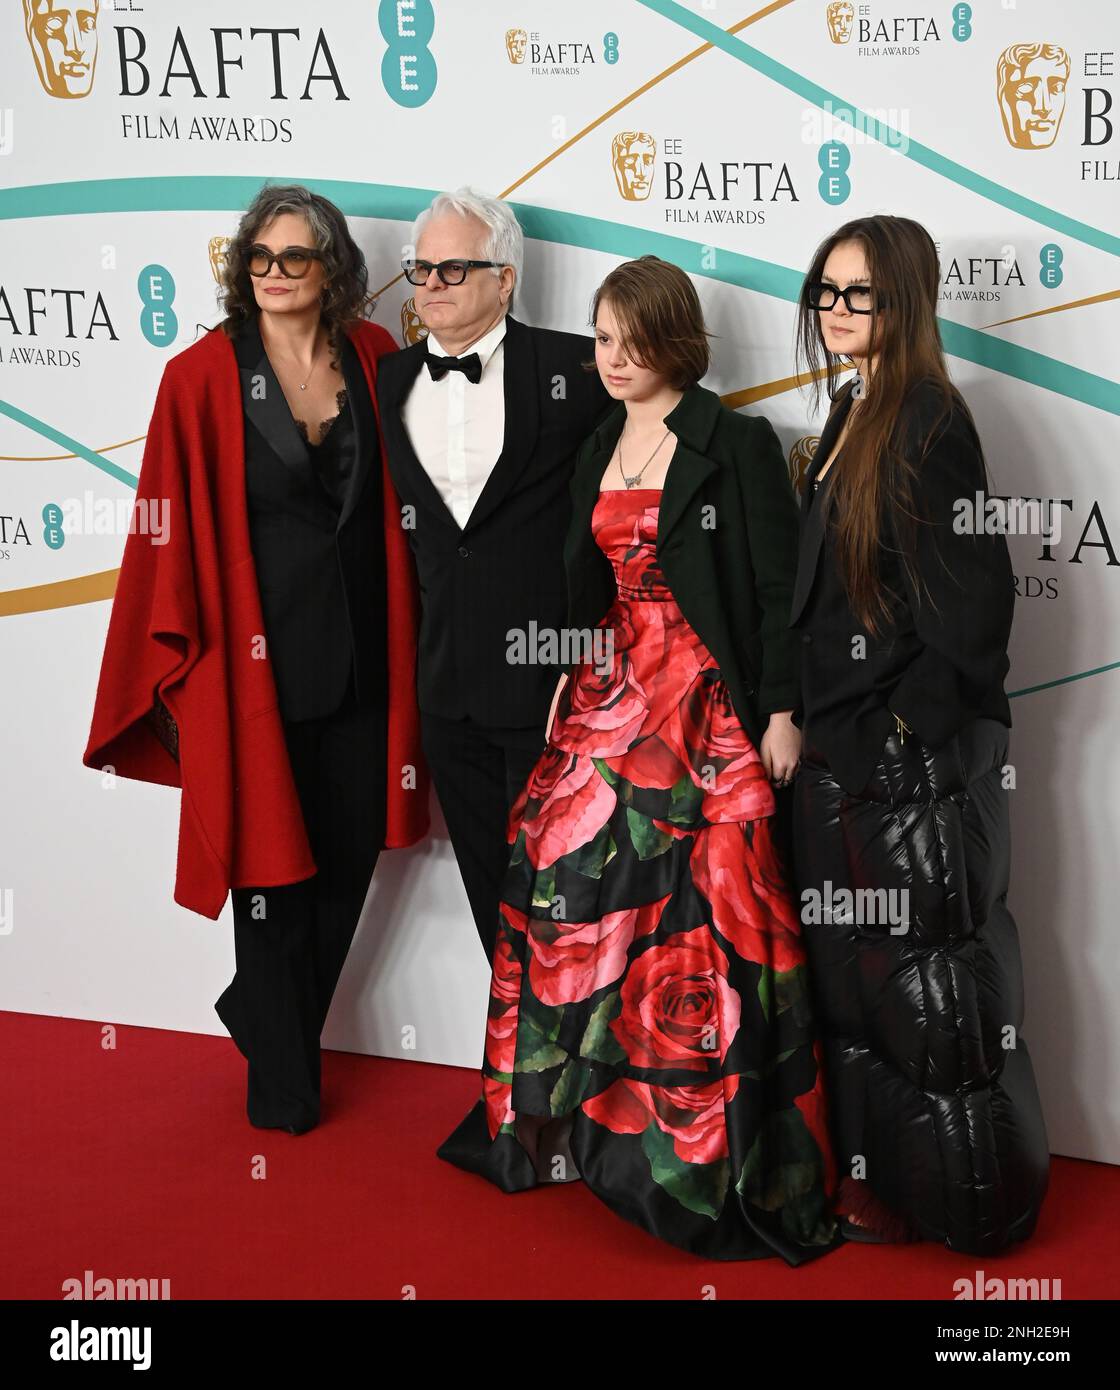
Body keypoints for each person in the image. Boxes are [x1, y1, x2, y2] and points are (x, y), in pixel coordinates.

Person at [438, 256, 841, 1263]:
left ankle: (707, 1156)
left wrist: (782, 713)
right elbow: (583, 592)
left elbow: (769, 590)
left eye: (633, 341)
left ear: (677, 341)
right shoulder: (596, 444)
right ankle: (582, 1117)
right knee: (568, 880)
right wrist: (564, 693)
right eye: (603, 340)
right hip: (609, 692)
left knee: (708, 903)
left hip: (702, 700)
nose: (613, 360)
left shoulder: (736, 442)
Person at [83, 183, 429, 1134]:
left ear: (333, 271)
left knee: (348, 855)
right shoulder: (199, 376)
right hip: (254, 668)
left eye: (295, 259)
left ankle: (259, 1013)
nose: (275, 275)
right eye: (260, 259)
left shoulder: (374, 355)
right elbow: (165, 526)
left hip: (365, 657)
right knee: (271, 870)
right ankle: (283, 1089)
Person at [789, 214, 1050, 1251]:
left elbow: (972, 613)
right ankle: (893, 1193)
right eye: (828, 292)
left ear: (906, 303)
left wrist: (906, 732)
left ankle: (976, 1215)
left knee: (937, 1008)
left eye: (862, 294)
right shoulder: (852, 408)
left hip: (911, 771)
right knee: (869, 1003)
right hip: (845, 758)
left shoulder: (930, 417)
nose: (839, 312)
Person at [377, 188, 611, 961]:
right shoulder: (389, 380)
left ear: (504, 279)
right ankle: (512, 1075)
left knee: (570, 904)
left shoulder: (576, 370)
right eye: (421, 270)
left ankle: (574, 1076)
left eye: (454, 268)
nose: (432, 285)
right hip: (447, 695)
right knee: (492, 902)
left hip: (553, 692)